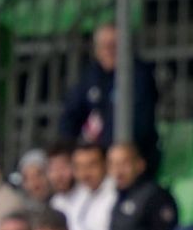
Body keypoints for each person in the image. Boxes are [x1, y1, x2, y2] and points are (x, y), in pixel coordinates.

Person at [59, 24, 160, 165]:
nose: (108, 51)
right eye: (103, 46)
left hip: (133, 157)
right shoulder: (90, 75)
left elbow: (139, 124)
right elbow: (70, 115)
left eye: (114, 45)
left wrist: (102, 151)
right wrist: (73, 148)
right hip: (94, 158)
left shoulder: (139, 76)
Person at [103, 141, 177, 230]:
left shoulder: (156, 196)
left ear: (140, 165)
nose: (118, 171)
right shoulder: (118, 197)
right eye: (112, 165)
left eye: (124, 164)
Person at [52, 143, 114, 230]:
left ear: (105, 165)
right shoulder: (77, 196)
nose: (85, 173)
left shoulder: (115, 195)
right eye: (79, 167)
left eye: (91, 165)